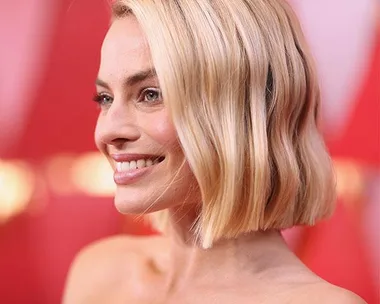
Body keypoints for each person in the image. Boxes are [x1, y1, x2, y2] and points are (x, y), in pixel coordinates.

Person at [63, 0, 366, 303]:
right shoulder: (99, 274)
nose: (107, 132)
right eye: (104, 98)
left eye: (150, 94)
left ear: (241, 110)